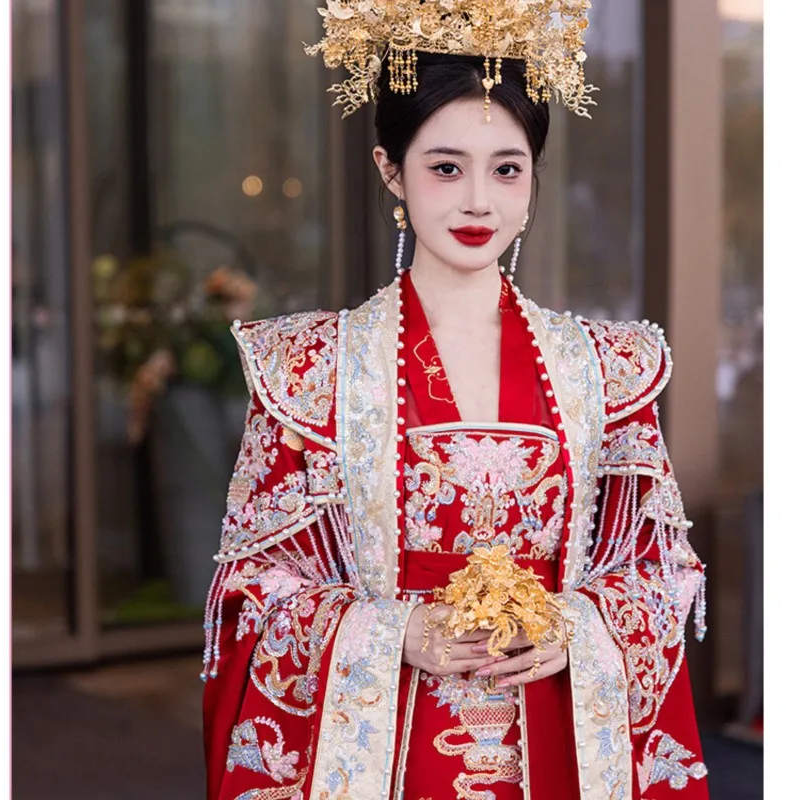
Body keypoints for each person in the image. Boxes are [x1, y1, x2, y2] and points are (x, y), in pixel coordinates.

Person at [202, 2, 709, 798]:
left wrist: (576, 628)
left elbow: (659, 568)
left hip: (553, 723)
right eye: (445, 168)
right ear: (390, 170)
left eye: (507, 169)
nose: (479, 201)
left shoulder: (605, 368)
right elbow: (253, 585)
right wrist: (394, 631)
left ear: (534, 178)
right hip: (387, 746)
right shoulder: (311, 370)